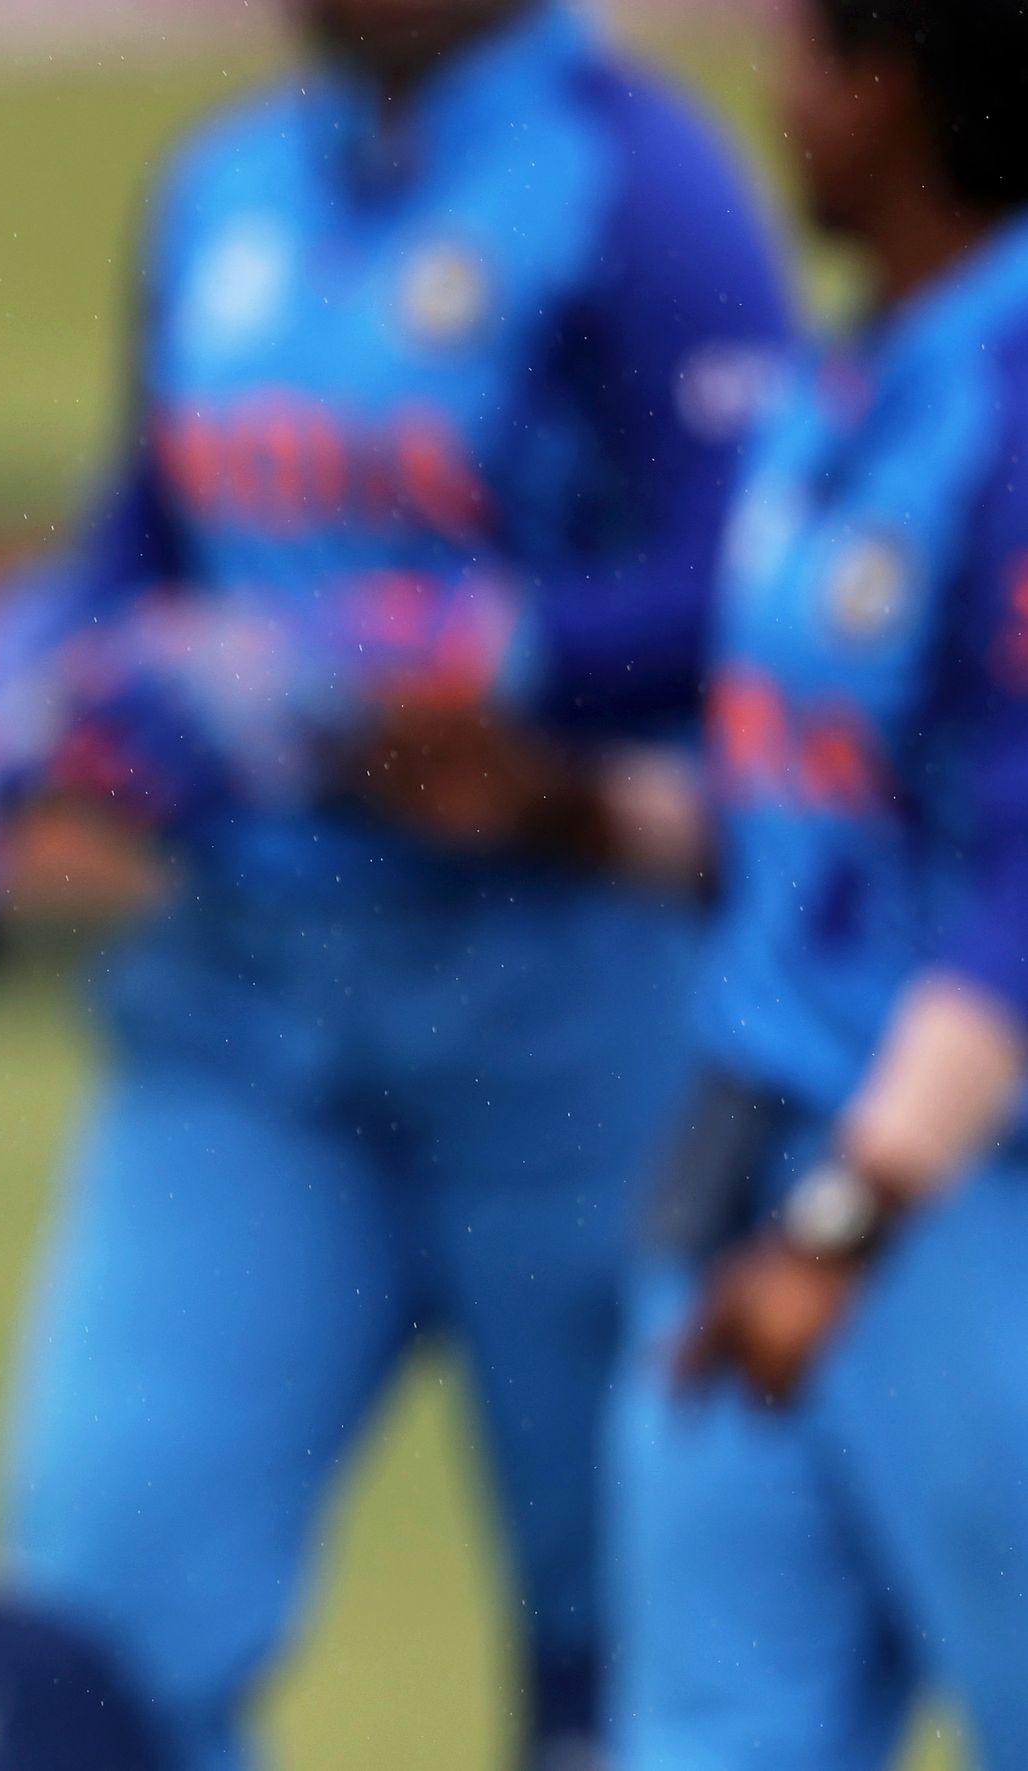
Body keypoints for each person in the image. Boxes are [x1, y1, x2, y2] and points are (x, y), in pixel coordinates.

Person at [0, 3, 791, 1766]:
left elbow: (749, 584)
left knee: (633, 1675)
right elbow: (147, 542)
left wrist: (444, 665)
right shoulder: (225, 185)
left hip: (570, 1007)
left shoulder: (634, 181)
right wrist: (27, 688)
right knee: (71, 1677)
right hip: (246, 1007)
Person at [609, 0, 1028, 1760]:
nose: (772, 102)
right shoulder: (851, 380)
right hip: (751, 1162)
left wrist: (848, 1222)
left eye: (803, 61)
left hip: (950, 1205)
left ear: (898, 85)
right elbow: (807, 818)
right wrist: (552, 803)